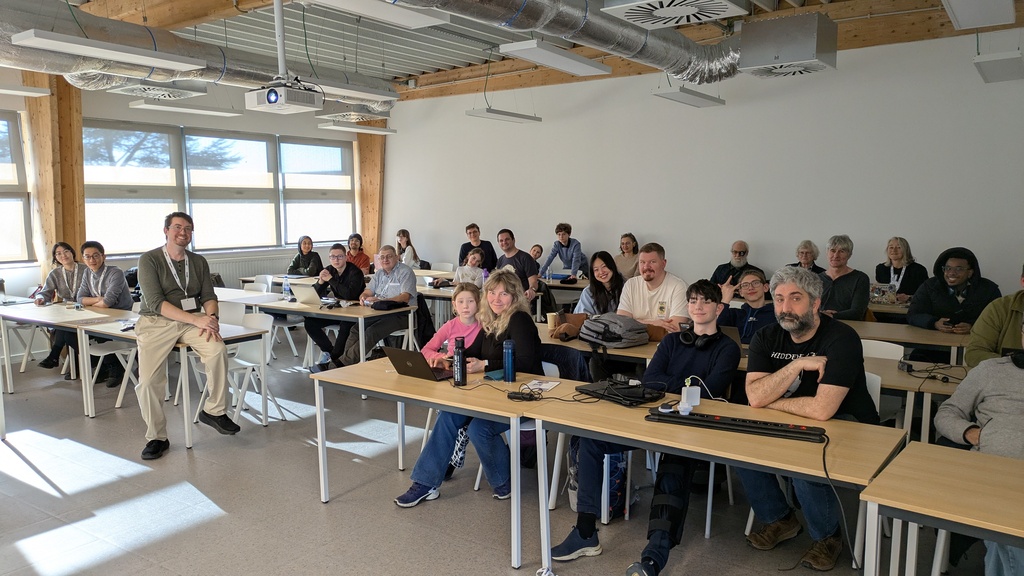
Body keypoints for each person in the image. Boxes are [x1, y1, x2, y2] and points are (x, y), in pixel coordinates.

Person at [551, 280, 740, 576]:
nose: (698, 306)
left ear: (719, 307)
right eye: (692, 301)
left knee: (673, 471)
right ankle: (585, 533)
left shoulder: (728, 349)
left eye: (705, 301)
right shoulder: (672, 341)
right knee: (590, 441)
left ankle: (652, 559)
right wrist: (685, 386)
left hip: (692, 427)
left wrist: (673, 385)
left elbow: (711, 390)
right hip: (654, 417)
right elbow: (652, 381)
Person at [737, 266, 879, 572]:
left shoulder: (842, 338)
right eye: (778, 299)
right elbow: (754, 398)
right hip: (799, 419)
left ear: (815, 303)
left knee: (803, 461)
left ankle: (828, 537)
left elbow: (822, 410)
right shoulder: (766, 336)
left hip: (850, 422)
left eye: (795, 298)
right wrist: (796, 365)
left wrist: (772, 401)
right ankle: (781, 519)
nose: (785, 308)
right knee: (739, 446)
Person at [394, 270, 542, 506]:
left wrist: (484, 364)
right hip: (492, 392)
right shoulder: (493, 321)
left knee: (479, 429)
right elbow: (474, 350)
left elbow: (524, 362)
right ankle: (425, 483)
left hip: (520, 395)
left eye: (503, 293)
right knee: (449, 414)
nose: (496, 299)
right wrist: (447, 359)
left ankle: (503, 482)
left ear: (514, 295)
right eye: (492, 293)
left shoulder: (519, 319)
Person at [135, 212, 238, 461]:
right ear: (166, 231)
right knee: (149, 382)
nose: (183, 232)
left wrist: (211, 318)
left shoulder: (198, 261)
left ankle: (214, 410)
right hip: (157, 322)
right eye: (178, 227)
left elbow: (208, 295)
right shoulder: (149, 260)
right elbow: (156, 302)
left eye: (189, 228)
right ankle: (157, 437)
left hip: (194, 320)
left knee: (217, 350)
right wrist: (197, 319)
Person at [934, 323, 1024, 576]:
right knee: (1009, 528)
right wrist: (970, 433)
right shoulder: (992, 370)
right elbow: (948, 412)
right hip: (993, 471)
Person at [322, 245, 417, 370]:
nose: (385, 260)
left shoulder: (405, 272)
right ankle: (344, 361)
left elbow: (405, 297)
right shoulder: (379, 274)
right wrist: (363, 297)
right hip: (380, 312)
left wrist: (381, 300)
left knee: (372, 331)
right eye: (382, 257)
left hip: (402, 314)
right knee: (356, 328)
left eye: (389, 256)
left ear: (396, 257)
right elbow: (368, 291)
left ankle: (341, 364)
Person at [77, 240, 134, 387]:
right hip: (100, 314)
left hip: (121, 316)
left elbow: (108, 302)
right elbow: (80, 298)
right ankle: (107, 364)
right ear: (83, 259)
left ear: (103, 256)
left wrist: (96, 302)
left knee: (97, 332)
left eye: (96, 256)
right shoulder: (87, 273)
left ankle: (114, 367)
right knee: (69, 333)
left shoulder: (115, 272)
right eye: (87, 257)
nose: (92, 260)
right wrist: (98, 299)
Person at [908, 247, 1001, 335]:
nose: (952, 273)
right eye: (948, 268)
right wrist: (934, 323)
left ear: (970, 273)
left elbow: (998, 319)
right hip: (935, 344)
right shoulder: (929, 286)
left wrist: (973, 326)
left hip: (973, 344)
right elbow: (913, 314)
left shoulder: (989, 290)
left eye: (959, 269)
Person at [305, 243, 367, 370]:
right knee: (310, 322)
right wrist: (320, 282)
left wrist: (331, 279)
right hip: (339, 309)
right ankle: (330, 352)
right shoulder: (329, 270)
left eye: (339, 256)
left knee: (345, 325)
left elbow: (350, 294)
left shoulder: (355, 272)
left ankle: (335, 359)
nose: (336, 260)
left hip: (356, 311)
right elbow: (314, 295)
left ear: (345, 257)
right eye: (333, 257)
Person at [35, 242, 88, 372]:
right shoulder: (55, 273)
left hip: (86, 308)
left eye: (66, 251)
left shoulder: (85, 269)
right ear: (55, 257)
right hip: (67, 310)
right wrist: (40, 298)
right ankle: (78, 365)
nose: (63, 255)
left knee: (63, 327)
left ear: (72, 252)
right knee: (64, 325)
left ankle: (55, 355)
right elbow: (45, 292)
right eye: (58, 253)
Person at [617, 242, 689, 333]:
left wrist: (635, 324)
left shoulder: (679, 286)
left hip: (666, 344)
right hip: (633, 344)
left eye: (652, 262)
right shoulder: (630, 285)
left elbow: (675, 328)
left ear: (663, 263)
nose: (646, 267)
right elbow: (620, 323)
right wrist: (655, 323)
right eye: (642, 262)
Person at [965, 264, 1024, 367]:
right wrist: (1014, 363)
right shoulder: (999, 308)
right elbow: (974, 353)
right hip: (1004, 377)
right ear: (1023, 282)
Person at [717, 269, 777, 344]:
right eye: (745, 285)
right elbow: (716, 332)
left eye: (755, 283)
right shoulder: (734, 314)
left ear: (765, 287)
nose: (750, 288)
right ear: (741, 292)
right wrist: (725, 299)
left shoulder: (777, 314)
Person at [818, 234, 870, 320]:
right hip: (819, 324)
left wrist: (832, 316)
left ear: (849, 255)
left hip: (848, 326)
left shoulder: (860, 279)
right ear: (827, 253)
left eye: (841, 251)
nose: (836, 255)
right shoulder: (816, 279)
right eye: (832, 250)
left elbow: (858, 312)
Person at [874, 237, 928, 303]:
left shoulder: (918, 270)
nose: (894, 250)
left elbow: (926, 295)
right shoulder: (881, 269)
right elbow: (877, 292)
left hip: (909, 308)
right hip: (885, 308)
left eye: (899, 247)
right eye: (891, 247)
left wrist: (909, 298)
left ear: (906, 250)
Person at [495, 228, 540, 302]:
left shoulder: (525, 258)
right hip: (503, 301)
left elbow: (533, 282)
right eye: (501, 241)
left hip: (520, 301)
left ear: (513, 240)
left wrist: (531, 290)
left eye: (507, 239)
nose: (504, 242)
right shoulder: (500, 260)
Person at [574, 251, 624, 316]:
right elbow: (583, 317)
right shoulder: (588, 292)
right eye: (596, 270)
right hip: (597, 325)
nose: (601, 272)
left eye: (604, 266)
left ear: (611, 265)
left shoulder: (625, 286)